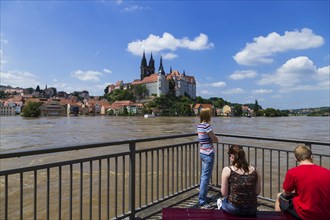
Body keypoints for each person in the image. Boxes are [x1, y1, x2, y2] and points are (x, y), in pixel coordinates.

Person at [275, 145, 330, 220]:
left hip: (306, 214)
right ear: (312, 156)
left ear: (296, 159)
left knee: (279, 196)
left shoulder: (293, 172)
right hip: (325, 213)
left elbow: (286, 193)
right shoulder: (327, 172)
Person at [220, 144, 261, 216]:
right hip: (251, 209)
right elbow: (257, 192)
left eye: (229, 156)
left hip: (234, 208)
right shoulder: (255, 170)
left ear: (232, 156)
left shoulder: (227, 170)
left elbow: (224, 193)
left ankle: (220, 206)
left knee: (222, 201)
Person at [197, 108, 218, 208]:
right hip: (208, 153)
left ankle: (203, 196)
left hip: (202, 152)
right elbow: (215, 139)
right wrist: (215, 138)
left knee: (203, 176)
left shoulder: (199, 126)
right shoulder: (207, 126)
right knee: (205, 177)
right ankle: (202, 200)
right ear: (207, 116)